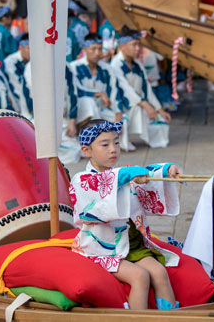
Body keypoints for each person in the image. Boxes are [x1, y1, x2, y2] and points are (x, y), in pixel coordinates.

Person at [70, 119, 182, 310]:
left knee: (159, 272)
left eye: (116, 142)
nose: (113, 149)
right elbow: (112, 180)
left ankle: (171, 316)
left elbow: (141, 175)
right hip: (101, 249)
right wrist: (128, 174)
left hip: (132, 245)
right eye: (105, 145)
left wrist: (166, 170)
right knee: (140, 276)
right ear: (86, 151)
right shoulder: (82, 180)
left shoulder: (121, 174)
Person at [110, 27, 171, 149]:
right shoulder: (115, 64)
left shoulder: (137, 64)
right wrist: (146, 105)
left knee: (161, 122)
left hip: (137, 103)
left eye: (139, 44)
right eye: (134, 45)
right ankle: (123, 138)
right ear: (122, 46)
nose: (138, 48)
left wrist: (159, 109)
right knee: (139, 109)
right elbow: (126, 89)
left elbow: (146, 88)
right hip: (119, 107)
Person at [69, 33, 128, 149]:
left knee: (122, 121)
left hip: (101, 109)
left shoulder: (106, 68)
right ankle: (83, 140)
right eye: (93, 49)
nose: (97, 53)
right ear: (85, 49)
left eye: (100, 49)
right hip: (80, 110)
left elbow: (114, 91)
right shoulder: (74, 67)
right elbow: (76, 90)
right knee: (89, 104)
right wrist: (98, 94)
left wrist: (118, 114)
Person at [24, 62, 81, 164]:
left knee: (73, 151)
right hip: (38, 119)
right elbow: (30, 100)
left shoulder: (65, 65)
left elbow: (73, 93)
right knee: (39, 148)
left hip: (60, 119)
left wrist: (72, 121)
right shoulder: (32, 66)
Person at [3, 33, 33, 119]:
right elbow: (17, 89)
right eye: (29, 48)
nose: (32, 52)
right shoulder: (10, 62)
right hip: (16, 110)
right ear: (20, 47)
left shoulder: (33, 62)